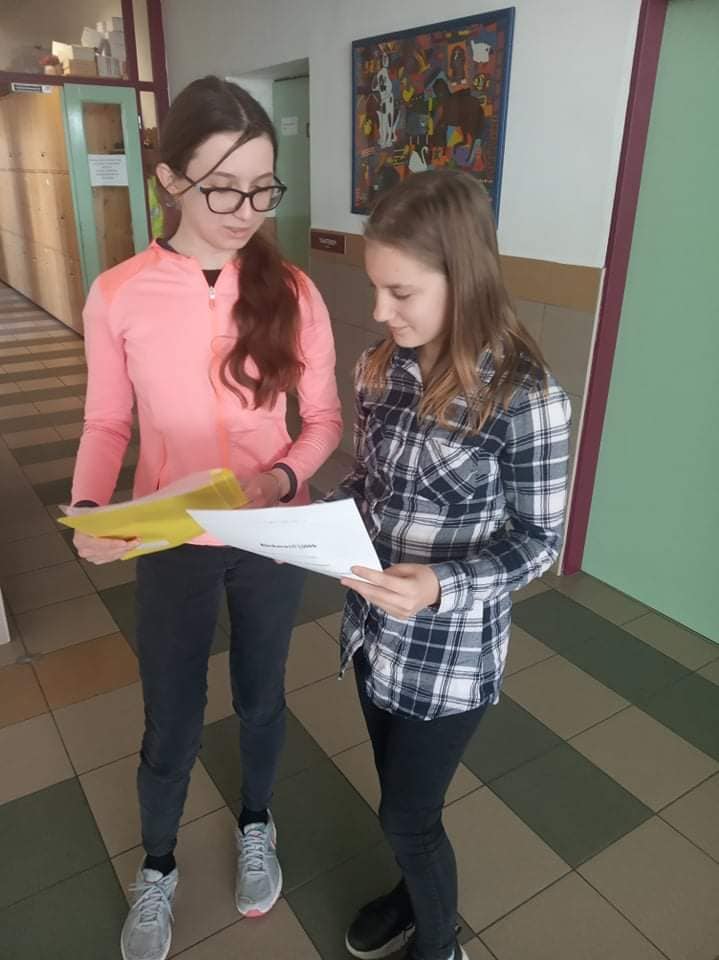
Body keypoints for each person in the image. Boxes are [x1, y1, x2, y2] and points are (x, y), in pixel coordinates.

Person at [69, 76, 342, 960]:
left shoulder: (294, 291)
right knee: (173, 720)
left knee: (263, 697)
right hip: (173, 539)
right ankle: (158, 866)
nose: (245, 211)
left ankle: (257, 820)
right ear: (169, 180)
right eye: (223, 188)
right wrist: (88, 508)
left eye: (263, 189)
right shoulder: (119, 293)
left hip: (269, 534)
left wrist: (284, 478)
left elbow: (323, 419)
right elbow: (107, 422)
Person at [330, 169, 571, 960]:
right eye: (375, 287)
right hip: (372, 633)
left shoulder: (527, 399)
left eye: (399, 291)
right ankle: (411, 895)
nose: (379, 311)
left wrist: (440, 584)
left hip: (449, 656)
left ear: (461, 280)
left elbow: (538, 541)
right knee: (399, 802)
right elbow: (366, 484)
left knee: (407, 815)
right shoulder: (378, 369)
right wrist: (312, 520)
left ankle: (439, 946)